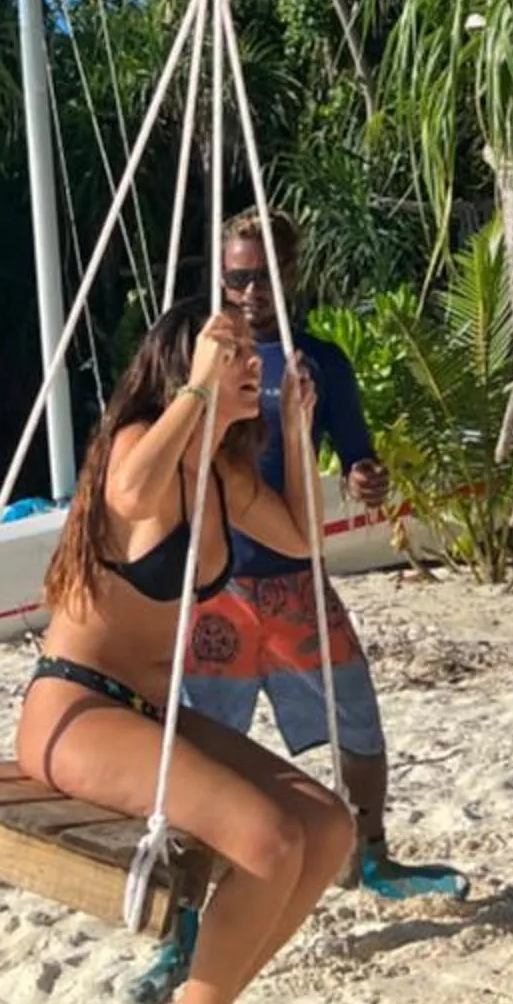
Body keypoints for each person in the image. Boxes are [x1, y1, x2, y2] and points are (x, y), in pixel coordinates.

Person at [18, 302, 353, 1004]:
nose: (254, 364)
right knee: (269, 840)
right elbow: (127, 497)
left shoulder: (220, 476)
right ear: (186, 366)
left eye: (250, 356)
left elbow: (305, 540)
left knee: (326, 829)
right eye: (235, 354)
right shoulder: (139, 445)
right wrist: (203, 389)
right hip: (77, 710)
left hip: (148, 716)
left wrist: (289, 421)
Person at [179, 207, 466, 903]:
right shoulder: (199, 358)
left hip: (293, 581)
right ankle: (185, 907)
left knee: (359, 726)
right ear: (221, 278)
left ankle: (370, 855)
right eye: (238, 278)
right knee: (194, 756)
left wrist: (366, 473)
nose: (251, 292)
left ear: (291, 276)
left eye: (265, 277)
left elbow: (355, 450)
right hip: (217, 585)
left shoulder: (318, 365)